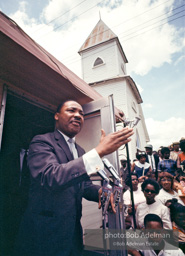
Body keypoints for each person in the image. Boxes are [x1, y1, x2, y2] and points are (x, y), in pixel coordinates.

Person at [14, 100, 134, 256]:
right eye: (71, 111)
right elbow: (51, 177)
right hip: (44, 233)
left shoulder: (80, 150)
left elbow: (83, 185)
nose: (78, 115)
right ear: (57, 116)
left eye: (82, 113)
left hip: (72, 233)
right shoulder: (42, 142)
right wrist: (98, 152)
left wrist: (100, 192)